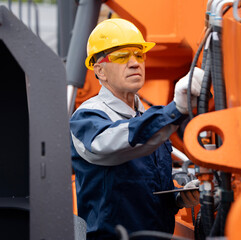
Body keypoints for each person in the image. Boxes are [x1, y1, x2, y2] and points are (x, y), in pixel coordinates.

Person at [70, 18, 204, 240]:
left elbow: (144, 188)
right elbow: (116, 142)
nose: (134, 63)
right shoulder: (87, 117)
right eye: (122, 56)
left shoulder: (146, 118)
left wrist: (179, 197)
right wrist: (175, 110)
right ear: (100, 70)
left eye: (139, 55)